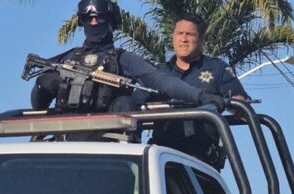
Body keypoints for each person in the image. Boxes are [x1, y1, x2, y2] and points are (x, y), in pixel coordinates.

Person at [30, 1, 225, 114]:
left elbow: (162, 81)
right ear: (82, 21)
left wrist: (200, 96)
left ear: (111, 21)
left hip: (110, 146)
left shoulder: (124, 60)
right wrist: (45, 84)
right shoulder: (67, 59)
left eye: (100, 17)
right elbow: (38, 104)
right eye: (89, 18)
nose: (94, 22)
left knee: (125, 103)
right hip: (64, 143)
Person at [147, 14, 250, 169]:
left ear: (201, 39)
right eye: (179, 33)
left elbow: (240, 102)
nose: (183, 39)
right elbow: (135, 104)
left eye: (190, 34)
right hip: (163, 158)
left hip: (202, 161)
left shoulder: (217, 69)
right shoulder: (158, 72)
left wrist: (236, 104)